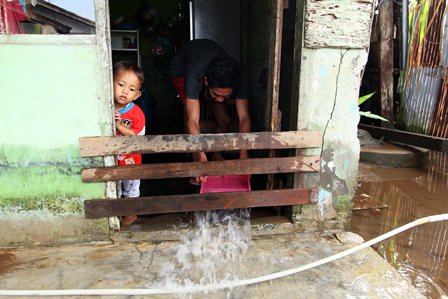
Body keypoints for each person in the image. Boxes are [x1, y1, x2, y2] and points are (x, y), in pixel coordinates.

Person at [170, 39, 251, 184]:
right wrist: (201, 153)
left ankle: (216, 156)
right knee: (192, 121)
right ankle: (198, 169)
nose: (220, 100)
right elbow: (192, 121)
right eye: (217, 94)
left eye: (226, 96)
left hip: (206, 64)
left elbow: (244, 117)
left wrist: (244, 152)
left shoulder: (238, 77)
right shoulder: (194, 74)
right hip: (181, 71)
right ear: (206, 81)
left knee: (224, 119)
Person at [113, 61, 146, 226]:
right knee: (115, 187)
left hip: (131, 159)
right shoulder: (104, 107)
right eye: (120, 85)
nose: (125, 91)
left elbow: (137, 137)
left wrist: (119, 126)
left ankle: (132, 213)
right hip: (112, 159)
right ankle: (117, 213)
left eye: (131, 89)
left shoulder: (136, 114)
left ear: (137, 95)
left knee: (131, 187)